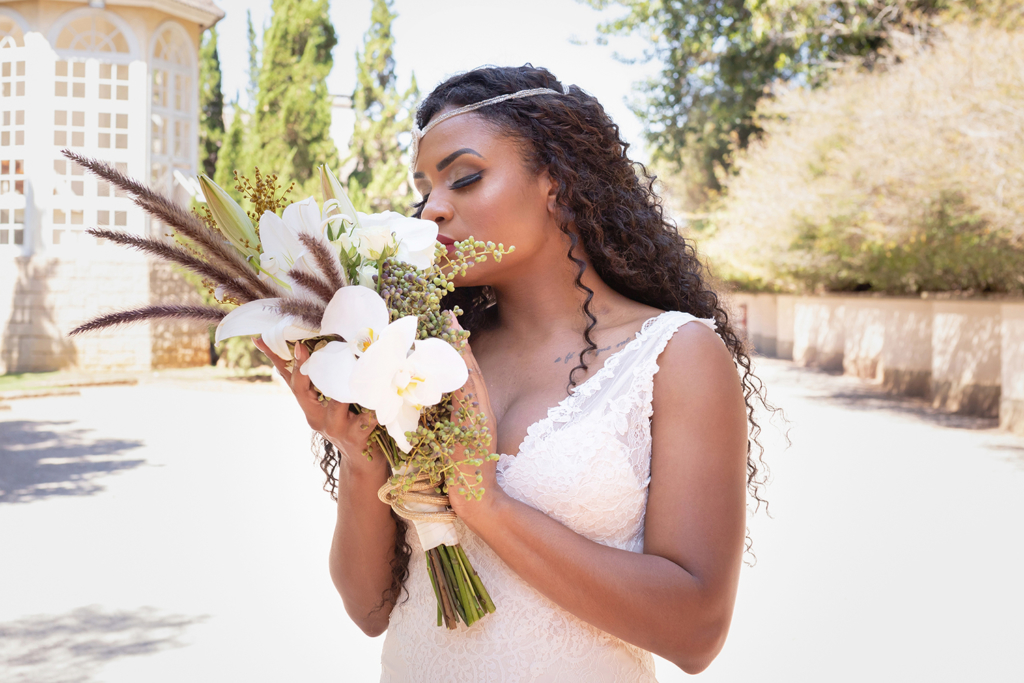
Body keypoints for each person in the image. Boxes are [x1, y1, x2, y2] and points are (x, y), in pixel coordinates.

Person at [256, 65, 769, 682]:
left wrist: (485, 503)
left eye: (464, 178)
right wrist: (361, 453)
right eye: (423, 190)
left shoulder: (672, 355)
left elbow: (696, 633)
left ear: (557, 179)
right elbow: (370, 610)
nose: (432, 210)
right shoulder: (422, 356)